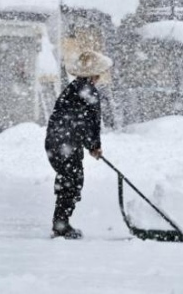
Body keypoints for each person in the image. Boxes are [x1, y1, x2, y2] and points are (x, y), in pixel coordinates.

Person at [45, 50, 113, 239]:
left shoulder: (73, 88)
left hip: (55, 142)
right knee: (72, 181)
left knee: (68, 180)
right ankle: (61, 225)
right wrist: (94, 146)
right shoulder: (88, 91)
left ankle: (60, 223)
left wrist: (89, 144)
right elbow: (92, 122)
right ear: (94, 74)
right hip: (66, 143)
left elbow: (75, 120)